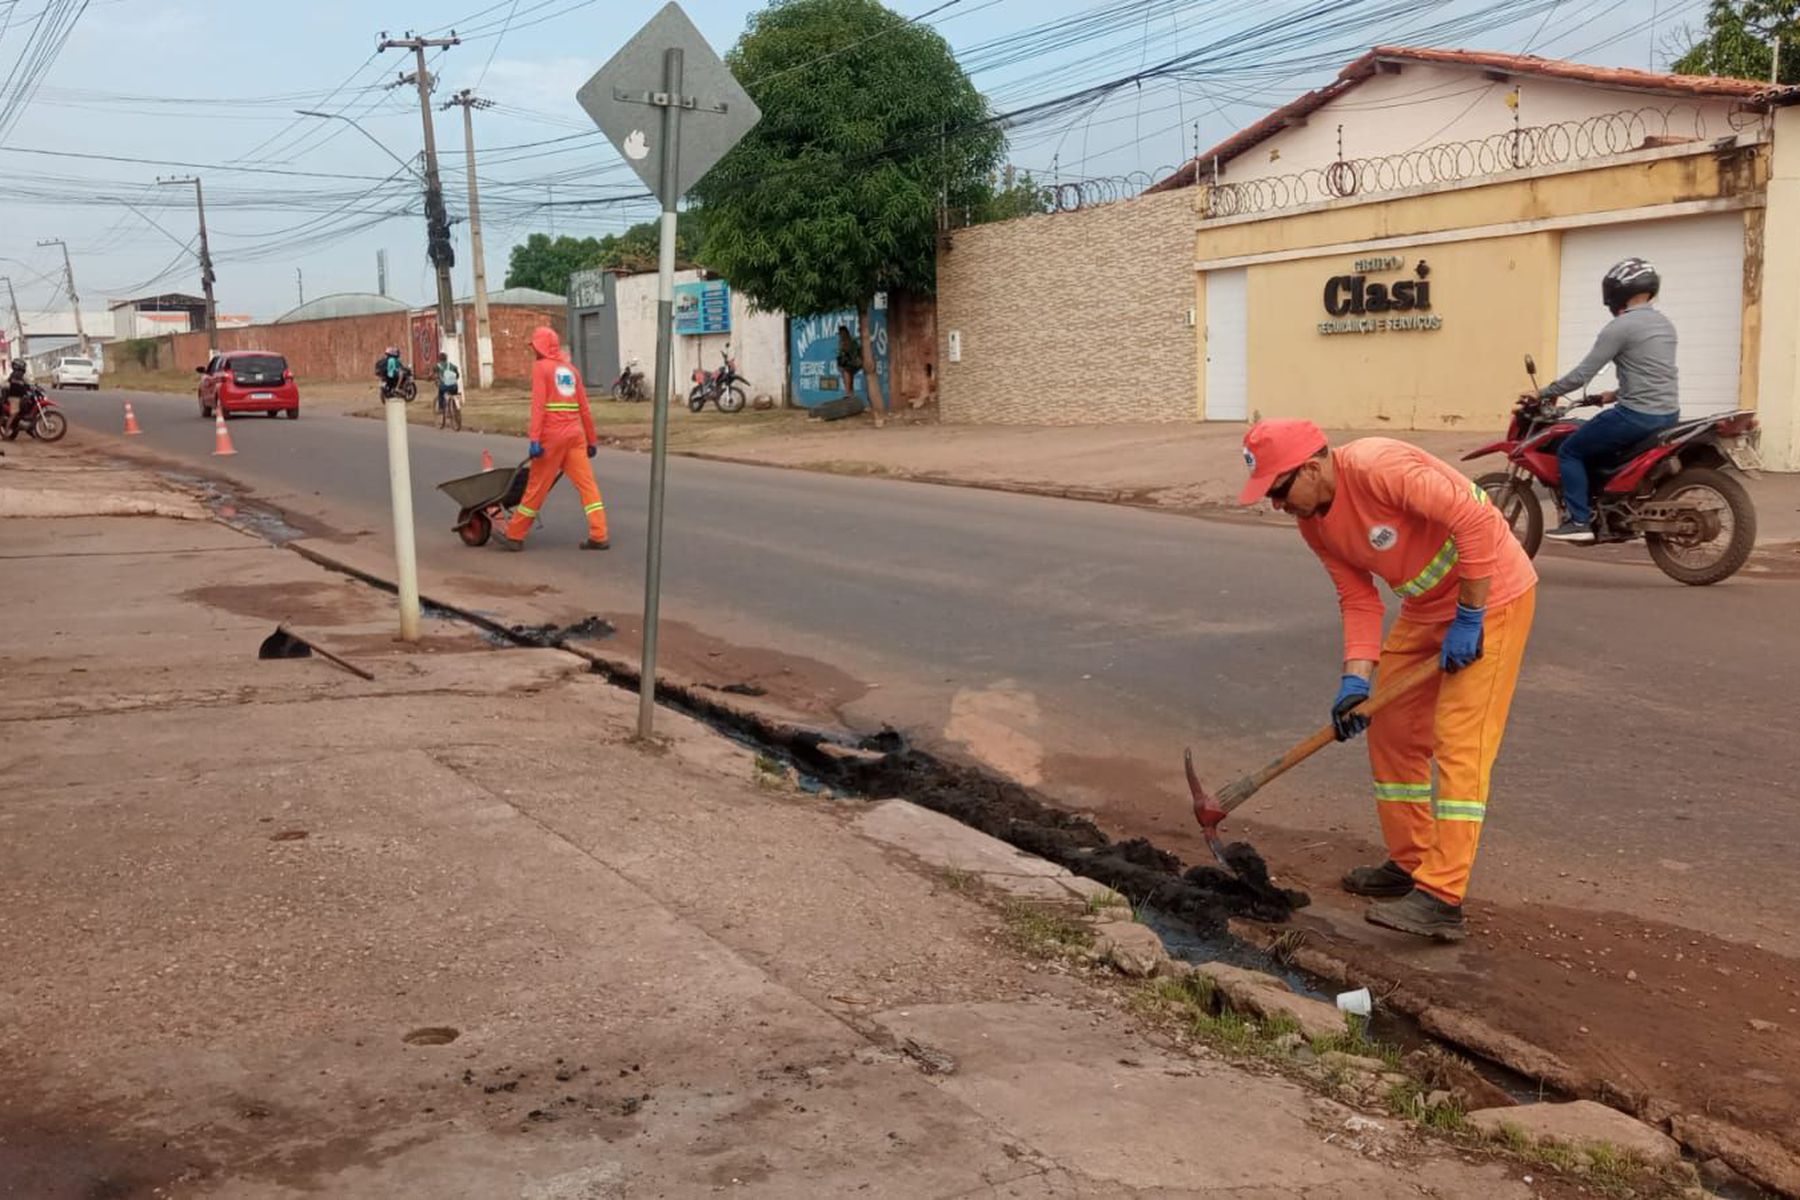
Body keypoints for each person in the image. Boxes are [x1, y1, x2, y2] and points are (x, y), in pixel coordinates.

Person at [1239, 419, 1539, 942]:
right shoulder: (1314, 523)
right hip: (1426, 610)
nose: (1277, 505)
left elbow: (1475, 521)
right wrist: (1355, 681)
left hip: (1493, 597)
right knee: (1391, 728)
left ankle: (1442, 896)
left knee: (1460, 742)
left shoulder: (1379, 467)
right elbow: (1358, 600)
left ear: (1311, 468)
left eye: (1279, 491)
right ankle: (1412, 860)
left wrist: (1471, 616)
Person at [1528, 257, 1679, 544]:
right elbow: (1654, 373)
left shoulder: (1620, 327)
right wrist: (1612, 395)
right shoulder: (1664, 324)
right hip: (1667, 414)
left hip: (1636, 416)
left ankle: (1579, 521)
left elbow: (1583, 374)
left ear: (1617, 292)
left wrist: (1546, 392)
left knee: (1571, 451)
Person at [493, 327, 609, 552]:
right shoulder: (571, 370)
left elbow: (538, 406)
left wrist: (534, 439)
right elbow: (584, 408)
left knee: (536, 488)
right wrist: (591, 439)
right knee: (588, 486)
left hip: (552, 438)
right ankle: (599, 534)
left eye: (535, 347)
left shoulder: (541, 368)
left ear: (542, 347)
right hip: (575, 436)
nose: (534, 351)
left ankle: (515, 535)